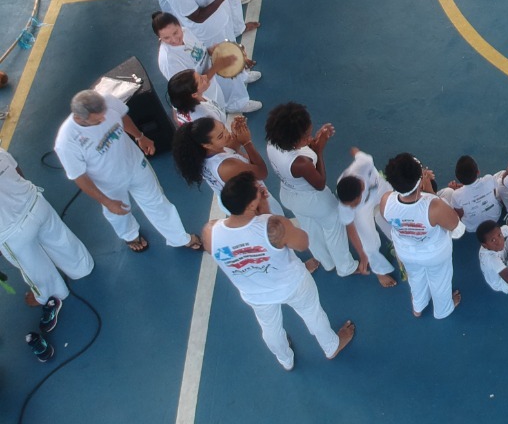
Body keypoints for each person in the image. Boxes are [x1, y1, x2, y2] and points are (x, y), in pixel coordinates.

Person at [204, 172, 355, 369]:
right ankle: (331, 346)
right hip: (293, 285)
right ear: (251, 205)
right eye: (259, 191)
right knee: (312, 313)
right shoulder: (273, 226)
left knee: (269, 327)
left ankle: (285, 360)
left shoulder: (210, 231)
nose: (263, 191)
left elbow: (221, 250)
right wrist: (266, 214)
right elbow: (303, 243)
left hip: (255, 293)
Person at [54, 90, 201, 253]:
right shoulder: (66, 141)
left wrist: (140, 136)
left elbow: (122, 116)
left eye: (104, 114)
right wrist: (107, 201)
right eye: (97, 120)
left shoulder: (107, 100)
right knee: (118, 213)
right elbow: (79, 177)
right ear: (80, 118)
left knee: (157, 202)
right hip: (108, 183)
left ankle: (179, 238)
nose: (104, 120)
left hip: (135, 164)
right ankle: (130, 235)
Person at [264, 102, 358, 277]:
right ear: (292, 140)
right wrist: (319, 150)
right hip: (314, 200)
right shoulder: (300, 162)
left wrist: (311, 144)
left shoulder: (273, 142)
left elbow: (301, 148)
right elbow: (320, 183)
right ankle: (346, 267)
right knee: (333, 227)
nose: (309, 138)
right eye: (306, 136)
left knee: (309, 227)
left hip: (288, 193)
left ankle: (325, 260)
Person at [0, 144, 93, 308]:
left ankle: (50, 294)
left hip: (12, 233)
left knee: (34, 265)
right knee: (60, 238)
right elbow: (18, 173)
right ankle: (82, 267)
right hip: (36, 204)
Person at [381, 153, 465, 318]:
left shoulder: (385, 200)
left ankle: (418, 307)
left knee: (415, 278)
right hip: (434, 254)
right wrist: (430, 191)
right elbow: (456, 226)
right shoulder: (433, 205)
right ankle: (443, 310)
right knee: (439, 281)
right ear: (420, 180)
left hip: (405, 251)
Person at [334, 148, 397, 286]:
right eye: (348, 206)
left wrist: (354, 150)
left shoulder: (364, 163)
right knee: (368, 243)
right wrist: (362, 254)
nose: (350, 207)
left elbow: (354, 150)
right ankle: (380, 271)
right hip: (362, 209)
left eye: (352, 204)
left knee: (396, 213)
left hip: (380, 190)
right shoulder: (346, 205)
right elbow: (351, 229)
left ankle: (400, 241)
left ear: (361, 190)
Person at [438, 155, 503, 231]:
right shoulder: (488, 179)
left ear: (458, 178)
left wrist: (456, 189)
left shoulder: (456, 194)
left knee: (449, 193)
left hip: (471, 227)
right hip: (495, 217)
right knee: (501, 175)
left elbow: (460, 214)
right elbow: (494, 194)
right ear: (478, 171)